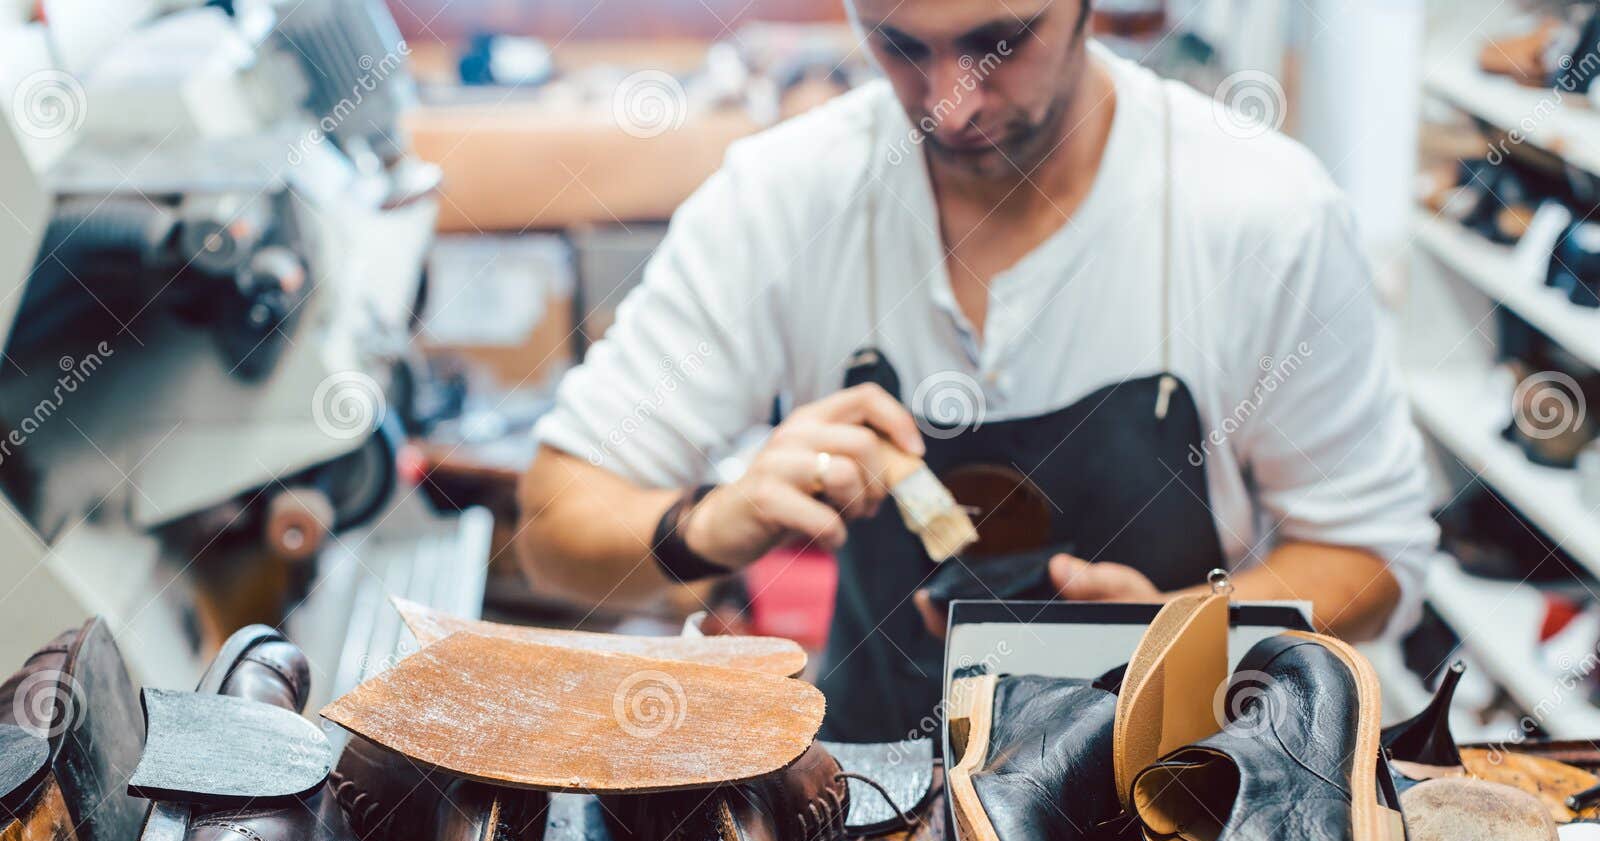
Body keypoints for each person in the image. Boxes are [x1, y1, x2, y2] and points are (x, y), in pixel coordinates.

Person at [516, 0, 1436, 741]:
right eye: (898, 44)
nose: (949, 103)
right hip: (884, 776)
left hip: (1185, 779)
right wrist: (708, 522)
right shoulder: (778, 206)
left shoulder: (1262, 214)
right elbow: (554, 526)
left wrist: (1194, 630)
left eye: (1000, 40)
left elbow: (1375, 551)